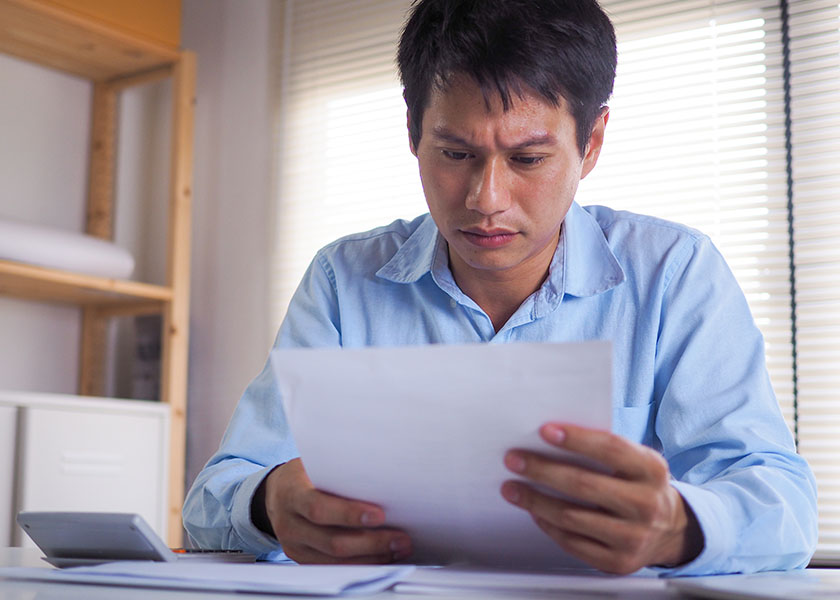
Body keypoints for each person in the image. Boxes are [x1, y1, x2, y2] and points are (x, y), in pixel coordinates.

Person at [183, 0, 817, 575]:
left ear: (591, 141)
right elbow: (215, 496)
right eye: (455, 154)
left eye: (528, 159)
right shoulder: (343, 279)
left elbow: (780, 497)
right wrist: (268, 504)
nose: (486, 200)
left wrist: (679, 528)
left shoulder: (675, 273)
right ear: (413, 133)